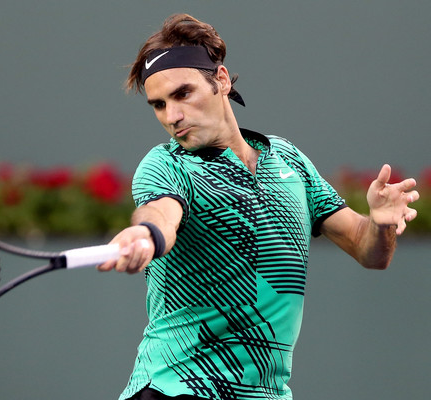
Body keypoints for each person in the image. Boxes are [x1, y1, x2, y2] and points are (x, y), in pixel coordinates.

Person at [97, 13, 419, 400]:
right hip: (178, 388)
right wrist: (146, 235)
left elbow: (369, 252)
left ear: (220, 79)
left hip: (266, 393)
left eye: (182, 94)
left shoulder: (289, 160)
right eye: (159, 105)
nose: (172, 116)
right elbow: (162, 213)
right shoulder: (166, 164)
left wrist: (381, 224)